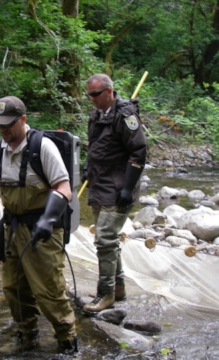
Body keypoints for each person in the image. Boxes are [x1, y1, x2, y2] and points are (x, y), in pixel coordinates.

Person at [0, 96, 78, 353]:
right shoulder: (0, 148)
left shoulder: (42, 147)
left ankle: (67, 342)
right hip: (11, 229)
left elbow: (63, 187)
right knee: (13, 288)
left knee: (48, 290)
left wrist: (47, 219)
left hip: (42, 231)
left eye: (8, 124)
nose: (3, 130)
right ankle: (27, 335)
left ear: (23, 120)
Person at [82, 73, 147, 314]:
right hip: (100, 183)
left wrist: (128, 188)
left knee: (104, 239)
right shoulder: (96, 114)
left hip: (119, 186)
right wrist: (87, 167)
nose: (92, 99)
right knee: (107, 239)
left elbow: (139, 151)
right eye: (89, 95)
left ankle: (105, 293)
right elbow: (96, 145)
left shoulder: (125, 116)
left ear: (109, 91)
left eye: (96, 94)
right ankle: (118, 288)